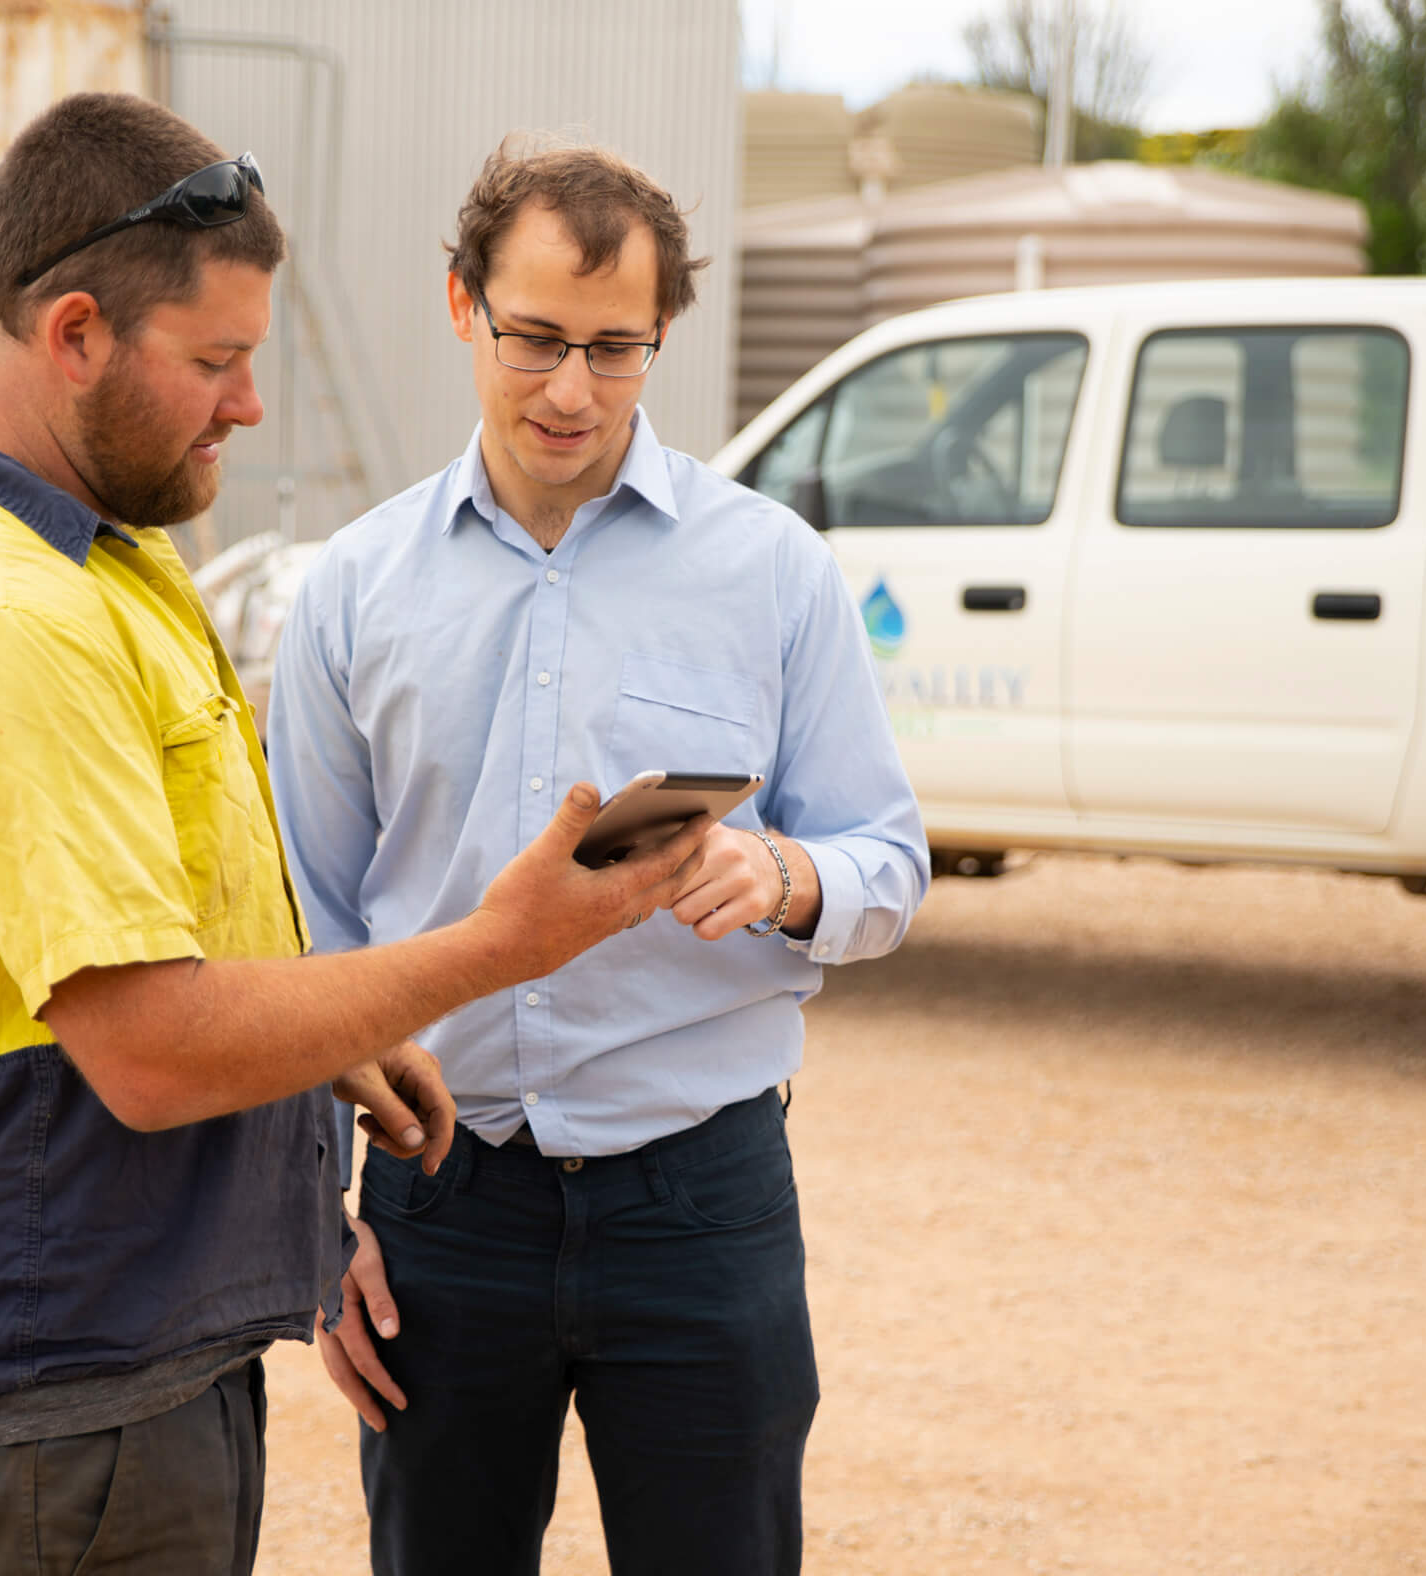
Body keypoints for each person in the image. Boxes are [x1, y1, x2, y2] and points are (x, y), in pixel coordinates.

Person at [0, 95, 709, 1576]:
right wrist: (501, 946)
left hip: (134, 1360)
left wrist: (326, 1046)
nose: (248, 407)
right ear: (79, 333)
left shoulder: (104, 559)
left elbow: (176, 938)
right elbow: (152, 1047)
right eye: (217, 363)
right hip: (60, 1397)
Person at [265, 140, 930, 1575]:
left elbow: (890, 856)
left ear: (662, 335)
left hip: (700, 1201)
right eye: (535, 339)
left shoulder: (774, 571)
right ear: (460, 305)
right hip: (438, 1202)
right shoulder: (352, 594)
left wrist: (787, 877)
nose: (571, 390)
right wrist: (316, 1217)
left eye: (615, 349)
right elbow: (307, 928)